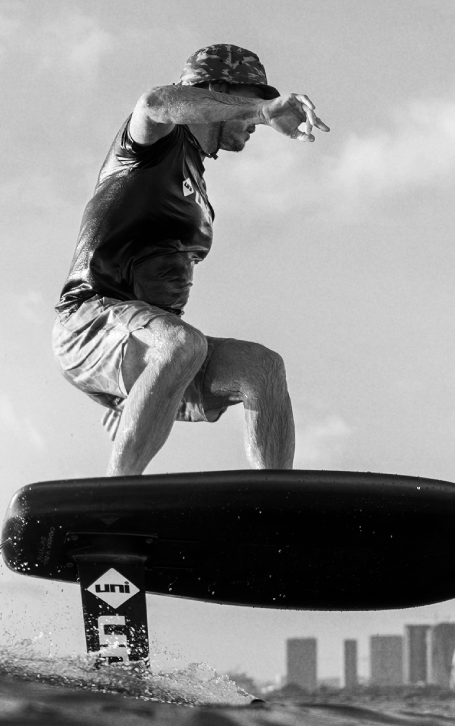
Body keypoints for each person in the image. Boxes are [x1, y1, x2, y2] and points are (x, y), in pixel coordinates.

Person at [52, 44, 330, 476]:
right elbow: (154, 103)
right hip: (88, 321)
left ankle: (274, 499)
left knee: (262, 367)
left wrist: (137, 390)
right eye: (249, 96)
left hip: (148, 348)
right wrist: (262, 109)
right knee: (183, 343)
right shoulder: (154, 145)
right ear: (216, 90)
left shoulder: (195, 178)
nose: (256, 116)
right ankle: (117, 494)